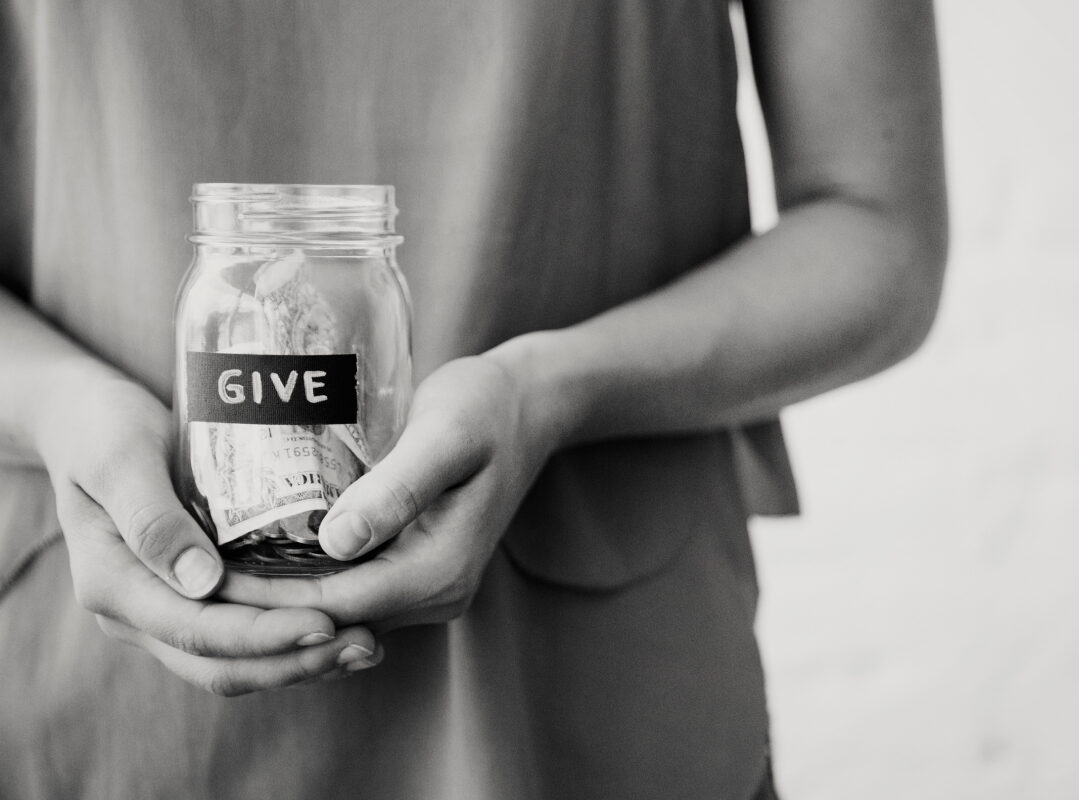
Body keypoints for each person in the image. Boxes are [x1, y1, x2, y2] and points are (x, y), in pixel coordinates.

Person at [0, 1, 946, 798]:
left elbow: (877, 230)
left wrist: (550, 390)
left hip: (593, 702)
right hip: (91, 695)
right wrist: (57, 406)